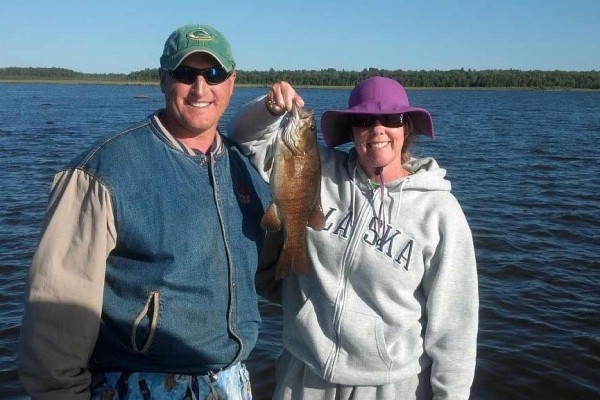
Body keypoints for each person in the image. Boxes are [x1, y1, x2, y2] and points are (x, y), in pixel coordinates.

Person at [18, 24, 271, 400]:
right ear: (163, 80)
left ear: (232, 82)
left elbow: (271, 275)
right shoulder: (101, 171)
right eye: (186, 74)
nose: (201, 88)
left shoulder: (244, 168)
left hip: (231, 384)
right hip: (136, 385)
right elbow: (56, 312)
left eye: (213, 74)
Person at [228, 76, 479, 400]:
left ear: (407, 128)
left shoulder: (439, 211)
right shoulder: (315, 168)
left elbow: (455, 328)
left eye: (390, 119)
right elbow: (243, 138)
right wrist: (270, 109)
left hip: (389, 386)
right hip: (303, 372)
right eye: (363, 120)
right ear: (351, 130)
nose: (377, 129)